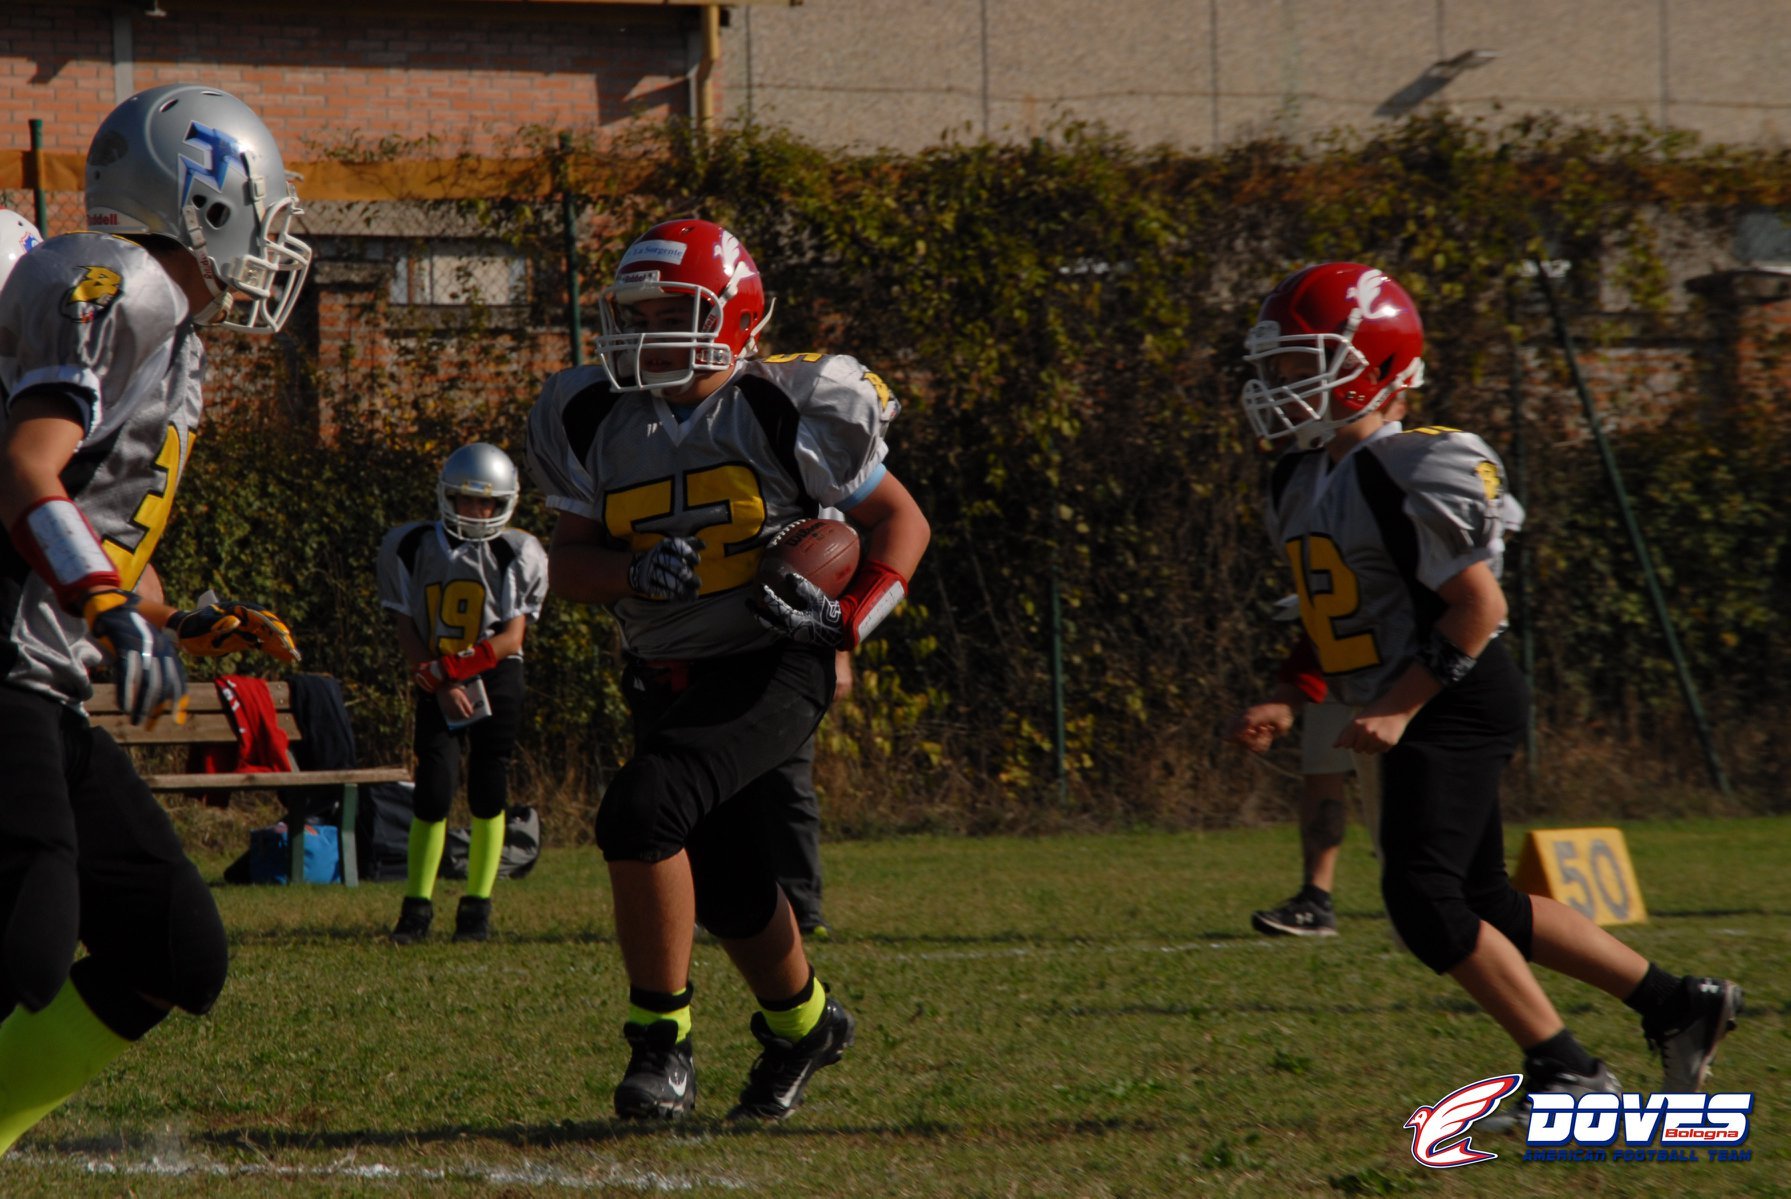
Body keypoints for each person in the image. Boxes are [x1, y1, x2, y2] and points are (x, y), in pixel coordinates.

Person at [1224, 262, 1741, 1118]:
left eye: (1296, 362)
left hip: (1449, 694)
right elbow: (1339, 606)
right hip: (1399, 700)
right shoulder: (1296, 476)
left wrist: (1399, 705)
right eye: (1275, 365)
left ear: (1373, 360)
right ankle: (1678, 1004)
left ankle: (1567, 1070)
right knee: (1480, 897)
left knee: (1423, 899)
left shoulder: (1414, 462)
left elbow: (1478, 606)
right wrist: (1293, 687)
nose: (1279, 382)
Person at [527, 216, 929, 1122]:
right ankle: (805, 1025)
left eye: (675, 309)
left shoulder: (783, 404)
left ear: (736, 315)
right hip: (664, 669)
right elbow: (568, 561)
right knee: (730, 874)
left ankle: (658, 1044)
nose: (648, 331)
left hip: (771, 659)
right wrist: (632, 571)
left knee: (641, 812)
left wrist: (847, 617)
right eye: (636, 313)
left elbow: (902, 524)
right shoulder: (592, 414)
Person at [0, 83, 309, 1155]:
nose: (273, 244)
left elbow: (99, 529)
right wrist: (101, 603)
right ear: (206, 203)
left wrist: (182, 619)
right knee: (27, 938)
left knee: (172, 948)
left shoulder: (173, 340)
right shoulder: (110, 283)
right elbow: (26, 471)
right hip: (1, 655)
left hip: (35, 670)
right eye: (265, 212)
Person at [377, 443, 547, 944]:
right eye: (467, 500)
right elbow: (405, 624)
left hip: (494, 675)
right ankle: (416, 908)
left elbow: (512, 638)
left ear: (504, 504)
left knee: (488, 790)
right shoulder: (409, 545)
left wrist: (452, 672)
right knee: (433, 789)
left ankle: (476, 908)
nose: (477, 512)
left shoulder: (516, 551)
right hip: (435, 674)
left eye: (487, 503)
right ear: (445, 496)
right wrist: (437, 677)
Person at [1245, 599, 1357, 938]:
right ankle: (1316, 900)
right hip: (1339, 650)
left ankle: (1465, 886)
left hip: (1404, 659)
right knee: (1321, 769)